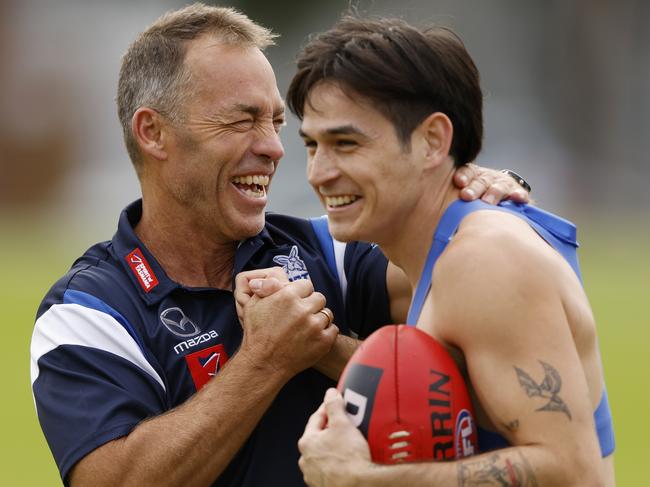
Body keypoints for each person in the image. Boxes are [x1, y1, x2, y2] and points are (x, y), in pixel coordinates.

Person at [29, 4, 529, 487]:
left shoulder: (328, 250)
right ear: (154, 133)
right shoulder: (88, 312)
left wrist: (473, 196)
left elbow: (479, 284)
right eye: (242, 120)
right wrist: (266, 359)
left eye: (275, 121)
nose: (272, 147)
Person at [284, 16, 615, 487]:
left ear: (433, 141)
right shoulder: (437, 252)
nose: (319, 172)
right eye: (312, 146)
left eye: (345, 143)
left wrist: (361, 479)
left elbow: (573, 471)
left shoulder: (483, 260)